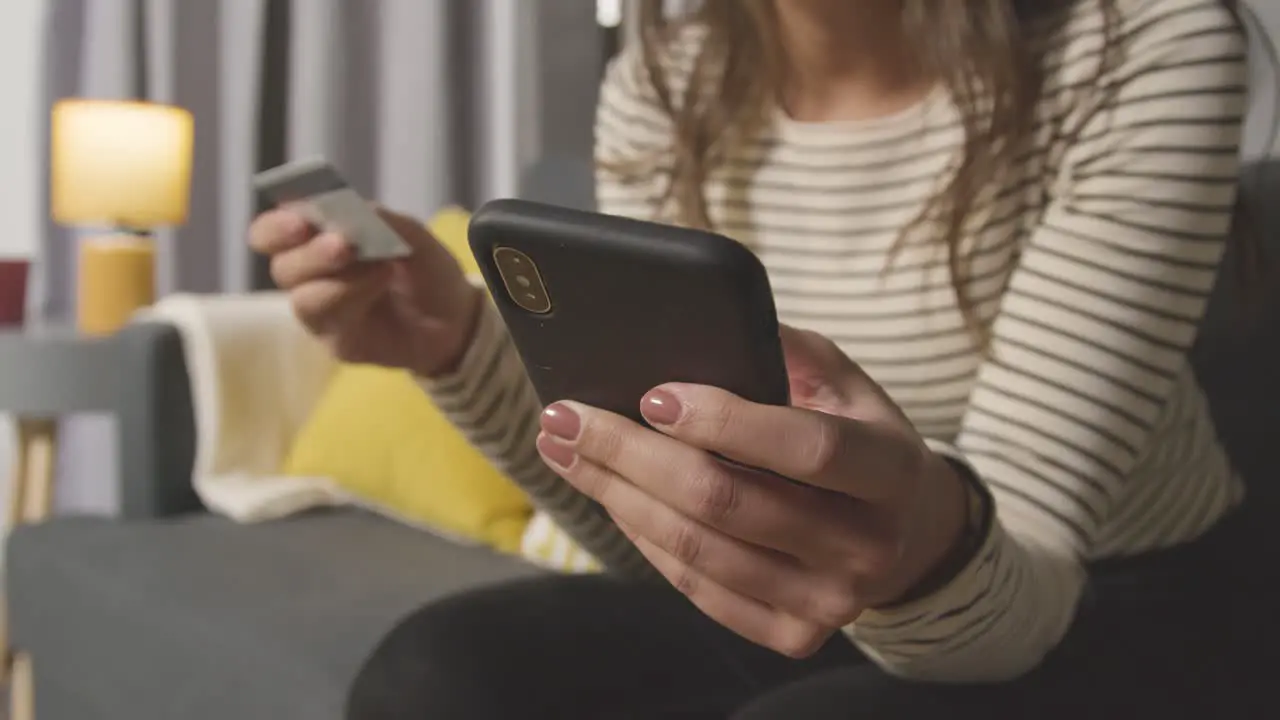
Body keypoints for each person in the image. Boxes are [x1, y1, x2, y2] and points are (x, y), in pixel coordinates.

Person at [250, 0, 1271, 717]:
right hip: (820, 586)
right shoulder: (666, 78)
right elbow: (656, 541)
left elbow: (1022, 589)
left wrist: (917, 543)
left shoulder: (1142, 42)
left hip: (1111, 592)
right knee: (435, 673)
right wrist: (462, 346)